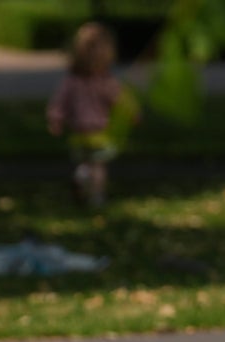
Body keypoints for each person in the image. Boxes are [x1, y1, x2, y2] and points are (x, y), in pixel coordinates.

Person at [46, 22, 141, 208]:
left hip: (78, 132)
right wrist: (133, 114)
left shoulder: (71, 81)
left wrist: (55, 120)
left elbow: (58, 103)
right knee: (98, 166)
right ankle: (96, 196)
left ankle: (81, 176)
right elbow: (122, 101)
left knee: (84, 162)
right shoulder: (106, 82)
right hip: (99, 133)